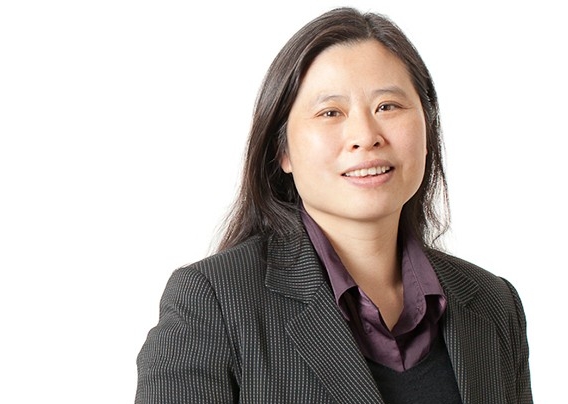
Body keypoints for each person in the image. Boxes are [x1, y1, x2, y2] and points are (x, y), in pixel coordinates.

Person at [135, 7, 533, 404]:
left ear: (428, 126)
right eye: (330, 112)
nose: (365, 135)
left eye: (388, 106)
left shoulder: (493, 304)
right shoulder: (213, 303)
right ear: (283, 152)